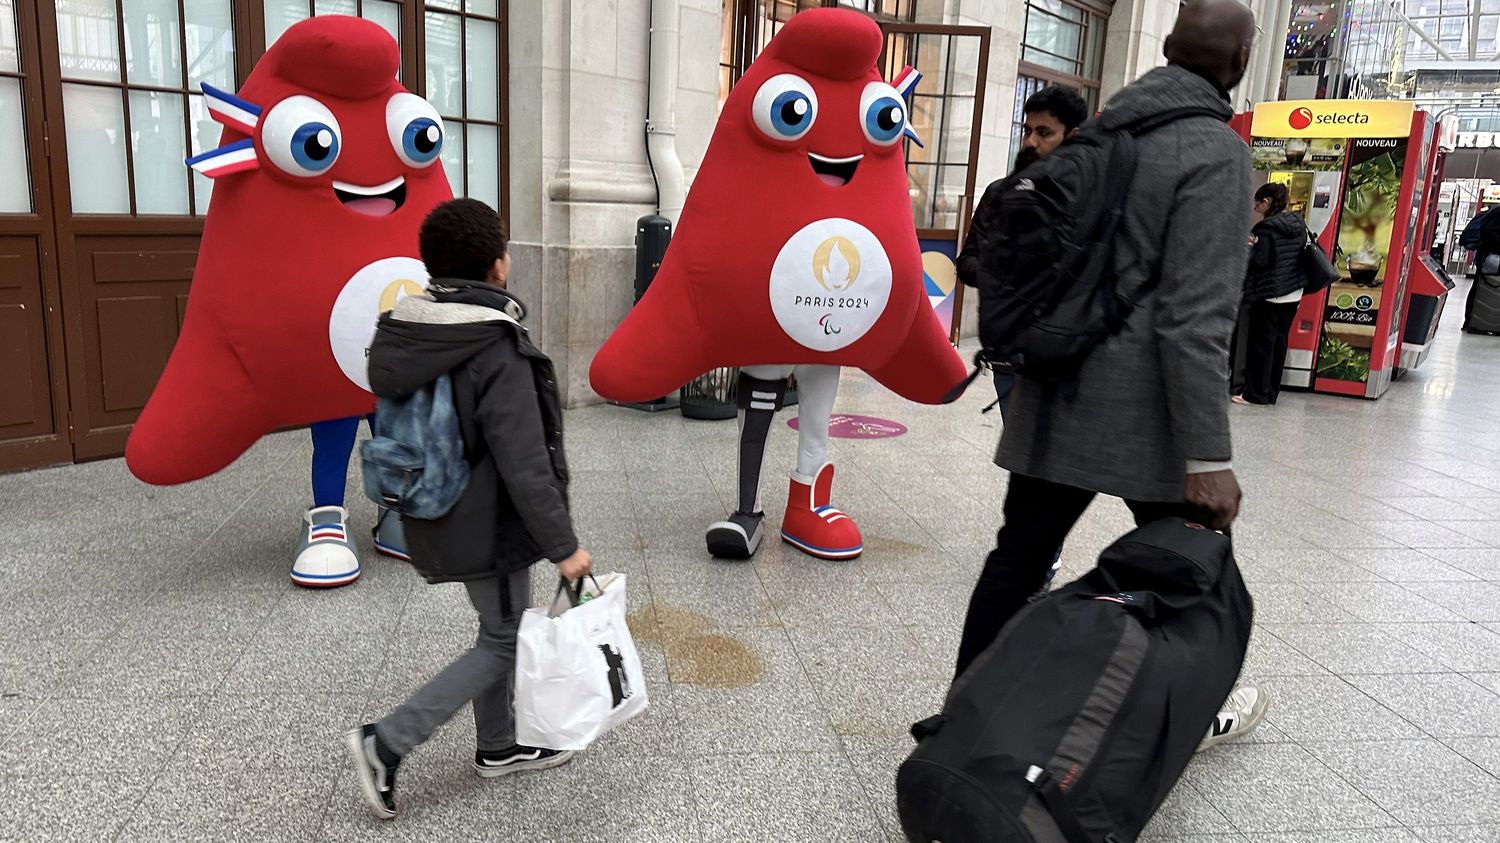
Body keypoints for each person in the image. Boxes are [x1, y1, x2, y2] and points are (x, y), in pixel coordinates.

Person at [955, 0, 1268, 748]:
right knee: (1194, 574)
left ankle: (963, 718)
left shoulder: (1097, 130)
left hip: (1054, 387)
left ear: (1163, 47)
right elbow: (1193, 321)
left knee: (1017, 558)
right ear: (1238, 64)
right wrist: (1208, 458)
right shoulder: (1215, 153)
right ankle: (1193, 713)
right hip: (1143, 414)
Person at [344, 198, 593, 820]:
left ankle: (498, 747)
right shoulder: (492, 345)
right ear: (498, 266)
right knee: (505, 638)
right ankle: (387, 742)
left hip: (436, 506)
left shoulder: (411, 326)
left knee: (499, 629)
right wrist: (565, 549)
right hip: (489, 518)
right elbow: (525, 462)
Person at [958, 85, 1090, 414]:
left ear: (1072, 137)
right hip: (1011, 359)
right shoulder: (1000, 193)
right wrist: (1005, 268)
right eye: (1027, 130)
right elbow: (966, 263)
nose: (1030, 142)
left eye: (1044, 133)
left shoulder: (1092, 199)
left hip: (1072, 361)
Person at [1235, 182, 1308, 406]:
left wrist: (1250, 247)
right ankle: (1271, 392)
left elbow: (1261, 262)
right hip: (1293, 293)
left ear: (1266, 202)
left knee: (1261, 345)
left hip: (1269, 294)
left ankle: (1255, 394)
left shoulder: (1264, 229)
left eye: (1257, 203)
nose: (1255, 207)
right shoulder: (1298, 223)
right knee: (1279, 342)